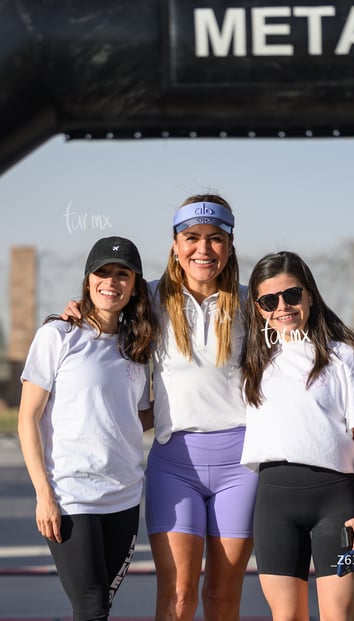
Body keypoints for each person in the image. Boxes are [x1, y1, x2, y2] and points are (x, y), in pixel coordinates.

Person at [62, 194, 258, 621]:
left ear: (230, 245)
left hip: (240, 466)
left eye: (215, 239)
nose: (202, 250)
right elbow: (103, 311)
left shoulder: (252, 303)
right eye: (191, 238)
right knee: (179, 595)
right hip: (174, 465)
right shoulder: (148, 298)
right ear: (174, 243)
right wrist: (73, 312)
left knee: (223, 595)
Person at [18, 236, 159, 621]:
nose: (111, 282)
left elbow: (138, 416)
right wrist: (43, 494)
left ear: (134, 286)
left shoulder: (138, 344)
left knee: (99, 609)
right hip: (69, 495)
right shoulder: (58, 336)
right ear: (87, 280)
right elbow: (28, 418)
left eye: (122, 275)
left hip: (124, 497)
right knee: (92, 608)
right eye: (102, 272)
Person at [240, 251, 354, 621]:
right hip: (274, 504)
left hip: (336, 503)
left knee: (338, 616)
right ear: (258, 308)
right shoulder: (252, 360)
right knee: (286, 617)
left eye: (292, 295)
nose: (282, 307)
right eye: (269, 300)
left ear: (309, 295)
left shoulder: (343, 356)